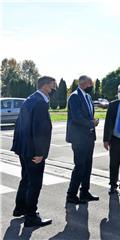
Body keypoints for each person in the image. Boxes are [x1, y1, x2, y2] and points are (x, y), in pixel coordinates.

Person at [11, 76, 57, 227]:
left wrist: (17, 146)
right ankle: (31, 217)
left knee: (26, 179)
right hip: (33, 151)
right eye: (52, 86)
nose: (54, 89)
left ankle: (20, 208)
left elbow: (19, 124)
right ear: (45, 86)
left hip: (24, 148)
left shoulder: (29, 99)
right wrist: (40, 153)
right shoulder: (40, 103)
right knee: (35, 183)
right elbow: (40, 130)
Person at [66, 75, 99, 204]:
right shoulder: (74, 96)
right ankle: (71, 194)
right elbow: (76, 117)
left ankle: (84, 192)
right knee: (79, 166)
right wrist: (91, 123)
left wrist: (93, 121)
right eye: (90, 84)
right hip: (79, 138)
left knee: (88, 166)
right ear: (84, 83)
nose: (92, 86)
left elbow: (88, 114)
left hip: (89, 137)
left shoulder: (88, 97)